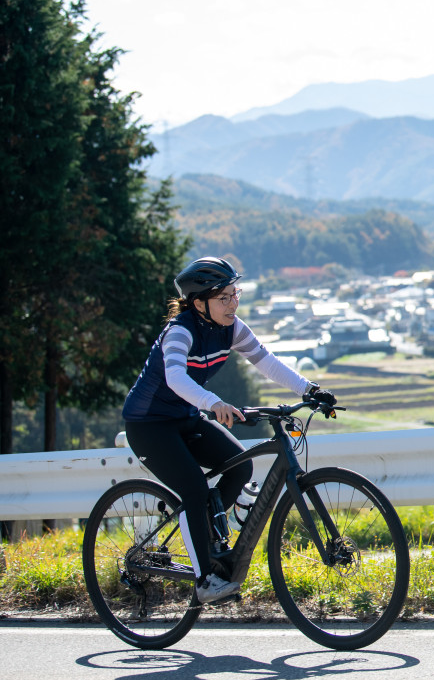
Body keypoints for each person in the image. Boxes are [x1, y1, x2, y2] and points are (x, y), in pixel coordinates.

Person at [122, 257, 337, 603]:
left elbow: (266, 361)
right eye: (224, 298)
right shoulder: (179, 331)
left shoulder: (232, 326)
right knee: (193, 488)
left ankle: (211, 533)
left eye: (235, 294)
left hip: (187, 417)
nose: (233, 303)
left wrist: (309, 390)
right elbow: (175, 377)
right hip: (149, 425)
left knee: (242, 464)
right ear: (198, 302)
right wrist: (213, 403)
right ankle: (204, 579)